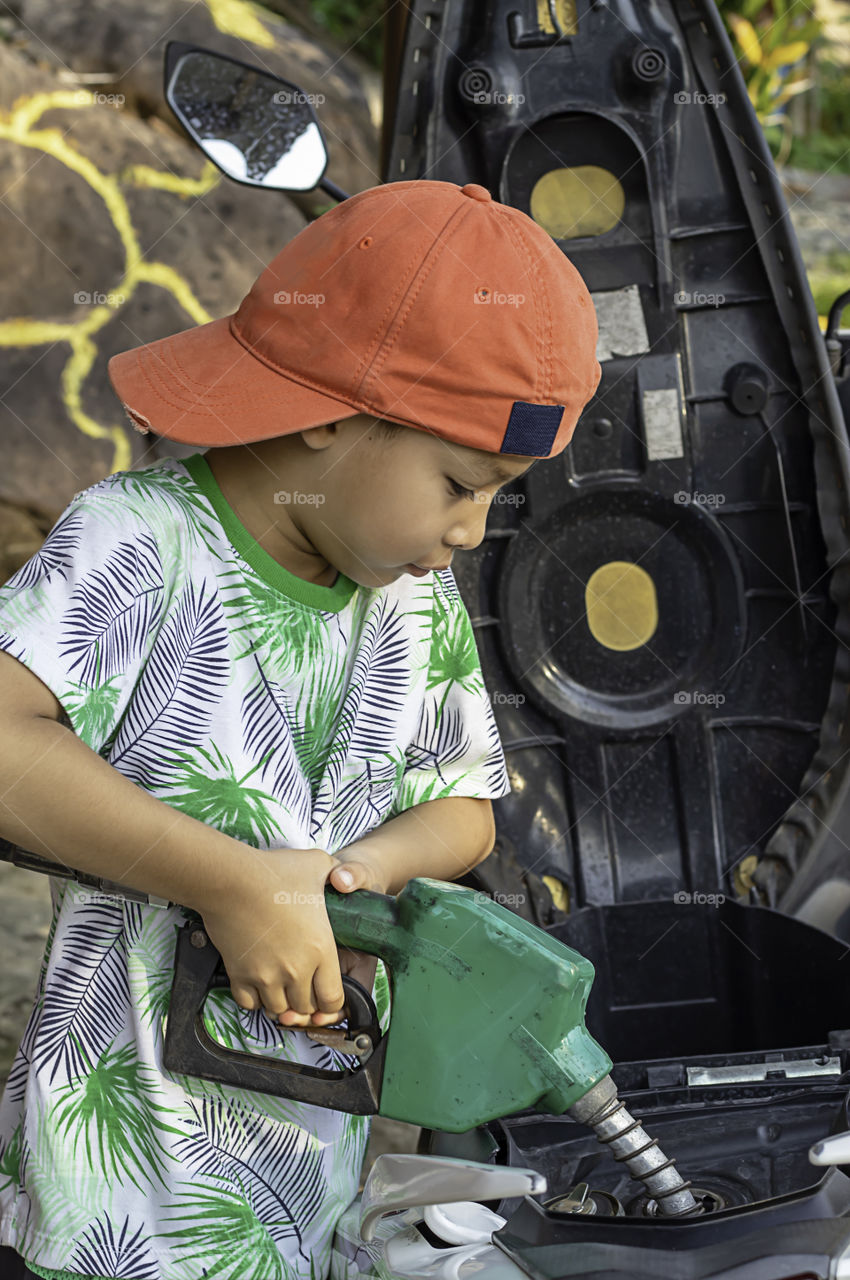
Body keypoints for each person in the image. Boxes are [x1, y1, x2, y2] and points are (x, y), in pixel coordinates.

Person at [0, 178, 600, 1280]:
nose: (469, 530)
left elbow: (464, 806)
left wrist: (354, 868)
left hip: (308, 1184)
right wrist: (235, 882)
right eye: (460, 483)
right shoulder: (144, 543)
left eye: (498, 497)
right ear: (329, 409)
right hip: (117, 1200)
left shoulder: (412, 600)